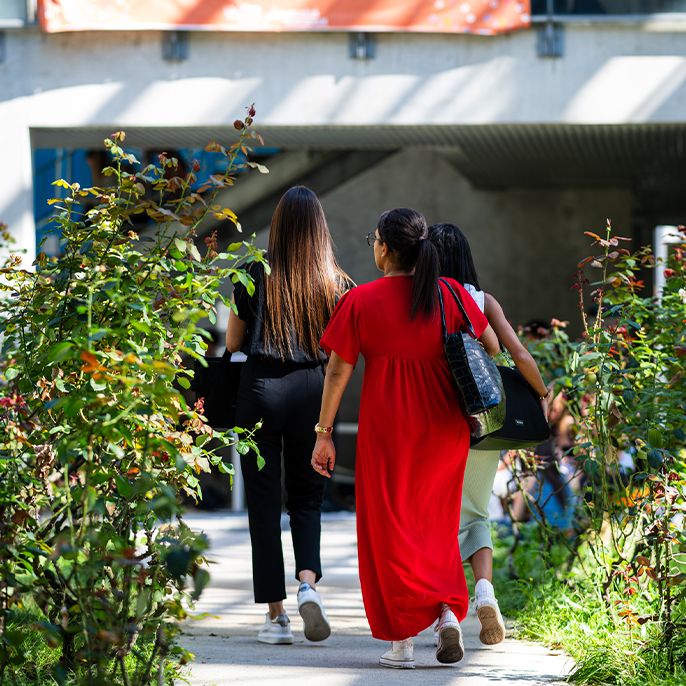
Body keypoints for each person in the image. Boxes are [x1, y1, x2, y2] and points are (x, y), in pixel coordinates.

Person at [311, 208, 499, 669]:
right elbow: (491, 346)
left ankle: (401, 642)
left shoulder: (361, 301)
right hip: (443, 427)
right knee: (435, 526)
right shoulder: (453, 294)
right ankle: (447, 613)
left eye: (374, 238)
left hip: (388, 428)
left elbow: (337, 371)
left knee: (389, 531)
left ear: (386, 248)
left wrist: (324, 432)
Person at [225, 185, 350, 645]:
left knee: (262, 502)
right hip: (313, 392)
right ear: (319, 229)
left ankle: (275, 616)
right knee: (308, 497)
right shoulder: (336, 281)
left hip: (260, 390)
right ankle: (307, 585)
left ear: (276, 226)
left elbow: (234, 343)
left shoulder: (252, 273)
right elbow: (341, 352)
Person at [427, 222, 550, 645]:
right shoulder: (479, 299)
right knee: (475, 515)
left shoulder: (421, 298)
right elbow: (508, 350)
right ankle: (484, 592)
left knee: (434, 519)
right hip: (478, 421)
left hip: (431, 421)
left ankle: (446, 611)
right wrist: (542, 392)